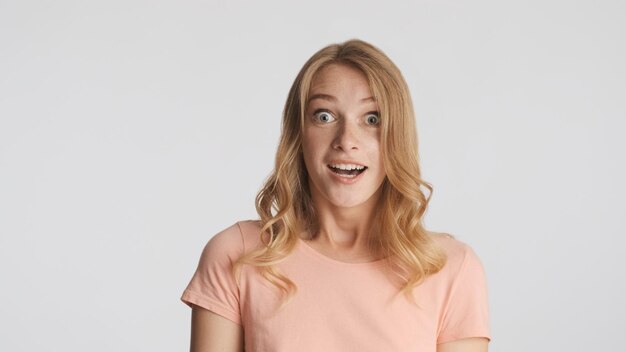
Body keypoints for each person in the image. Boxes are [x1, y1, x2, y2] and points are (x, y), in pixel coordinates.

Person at [181, 39, 491, 352]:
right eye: (324, 116)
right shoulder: (238, 254)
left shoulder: (451, 268)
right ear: (298, 134)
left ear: (397, 136)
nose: (346, 140)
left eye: (372, 119)